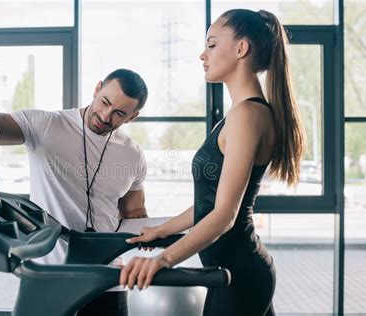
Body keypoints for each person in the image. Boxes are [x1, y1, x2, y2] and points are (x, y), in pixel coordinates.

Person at [120, 9, 305, 316]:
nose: (202, 55)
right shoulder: (238, 115)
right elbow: (210, 203)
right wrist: (161, 230)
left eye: (212, 44)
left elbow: (225, 215)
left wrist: (163, 260)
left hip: (240, 276)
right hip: (239, 271)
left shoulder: (248, 115)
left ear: (241, 49)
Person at [0, 68, 149, 316]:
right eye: (105, 102)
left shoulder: (133, 154)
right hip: (48, 273)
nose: (106, 116)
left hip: (107, 279)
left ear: (132, 117)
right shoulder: (46, 124)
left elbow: (134, 212)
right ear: (97, 89)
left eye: (119, 113)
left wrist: (148, 233)